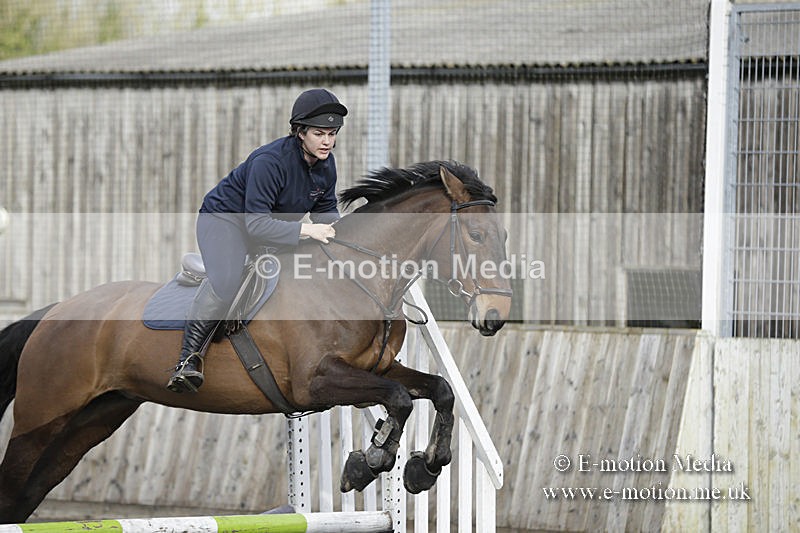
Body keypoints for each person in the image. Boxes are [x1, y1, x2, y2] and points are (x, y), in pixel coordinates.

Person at [166, 88, 346, 393]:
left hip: (269, 227)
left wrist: (346, 237)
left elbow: (327, 217)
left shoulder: (326, 165)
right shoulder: (269, 162)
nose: (327, 141)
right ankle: (188, 360)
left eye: (332, 133)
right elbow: (257, 226)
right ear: (300, 132)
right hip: (225, 221)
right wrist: (306, 231)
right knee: (227, 281)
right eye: (319, 133)